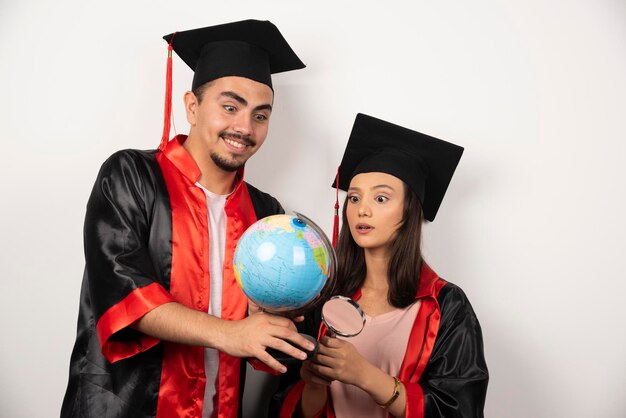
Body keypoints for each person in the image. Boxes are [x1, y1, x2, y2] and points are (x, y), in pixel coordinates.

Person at [61, 20, 316, 418]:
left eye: (260, 115)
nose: (245, 128)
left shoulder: (267, 215)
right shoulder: (132, 175)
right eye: (230, 107)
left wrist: (270, 324)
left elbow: (258, 347)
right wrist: (231, 333)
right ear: (192, 107)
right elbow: (124, 294)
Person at [275, 113, 488, 417]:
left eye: (381, 198)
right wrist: (314, 385)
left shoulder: (446, 307)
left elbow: (459, 410)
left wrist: (365, 375)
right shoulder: (321, 297)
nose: (362, 209)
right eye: (354, 198)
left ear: (409, 212)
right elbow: (289, 404)